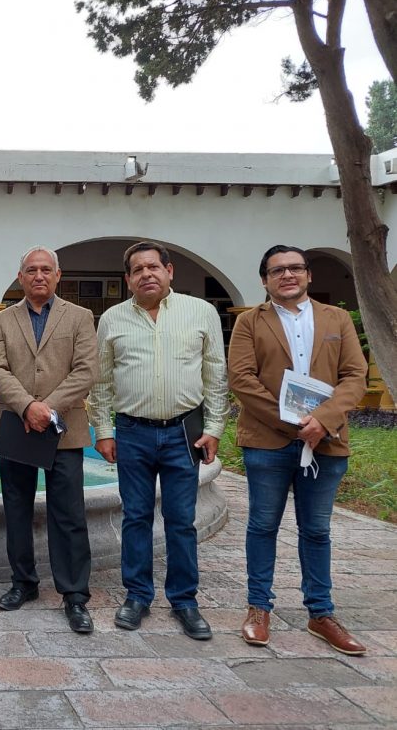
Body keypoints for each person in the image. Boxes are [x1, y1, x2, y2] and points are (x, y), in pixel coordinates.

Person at [229, 245, 368, 655]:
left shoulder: (336, 318)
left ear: (308, 274)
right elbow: (242, 379)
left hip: (327, 442)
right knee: (262, 526)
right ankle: (259, 608)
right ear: (265, 280)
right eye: (277, 270)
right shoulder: (250, 322)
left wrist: (322, 421)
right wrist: (293, 423)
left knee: (317, 530)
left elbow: (355, 375)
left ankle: (320, 613)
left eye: (294, 268)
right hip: (268, 442)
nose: (287, 275)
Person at [89, 241, 227, 640]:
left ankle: (184, 600)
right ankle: (137, 596)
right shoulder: (112, 319)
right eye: (138, 269)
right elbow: (101, 381)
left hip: (184, 431)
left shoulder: (200, 312)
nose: (146, 274)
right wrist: (104, 430)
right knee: (135, 516)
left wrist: (214, 427)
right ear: (128, 278)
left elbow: (215, 374)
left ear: (169, 271)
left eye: (154, 267)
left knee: (182, 520)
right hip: (132, 432)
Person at [0, 246, 99, 632]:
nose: (39, 276)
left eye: (46, 270)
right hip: (17, 427)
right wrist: (26, 407)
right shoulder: (2, 320)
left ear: (57, 275)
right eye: (31, 270)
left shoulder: (80, 317)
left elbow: (86, 370)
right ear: (20, 277)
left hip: (63, 428)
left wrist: (46, 408)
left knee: (69, 514)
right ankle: (23, 582)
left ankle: (74, 594)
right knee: (16, 509)